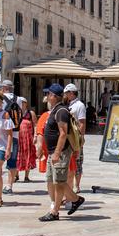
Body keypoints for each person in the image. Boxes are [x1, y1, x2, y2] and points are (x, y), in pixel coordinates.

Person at [38, 84, 84, 221]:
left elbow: (63, 133)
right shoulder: (55, 110)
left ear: (53, 96)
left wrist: (57, 153)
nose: (46, 96)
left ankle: (55, 212)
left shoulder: (61, 111)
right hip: (53, 152)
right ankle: (76, 199)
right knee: (54, 180)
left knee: (59, 182)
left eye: (48, 94)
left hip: (61, 152)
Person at [64, 84, 88, 194]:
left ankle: (77, 185)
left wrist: (80, 139)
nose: (65, 95)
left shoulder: (79, 105)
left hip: (76, 138)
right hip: (68, 139)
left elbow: (82, 123)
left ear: (72, 93)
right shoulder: (66, 104)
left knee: (78, 162)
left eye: (67, 93)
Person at [0, 83, 23, 194]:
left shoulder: (0, 99)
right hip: (15, 133)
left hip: (1, 134)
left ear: (3, 88)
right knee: (12, 160)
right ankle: (9, 185)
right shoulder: (19, 99)